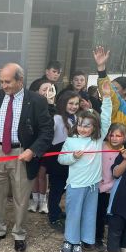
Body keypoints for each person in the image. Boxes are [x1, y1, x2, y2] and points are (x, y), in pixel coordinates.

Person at [0, 63, 54, 252]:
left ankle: (19, 233)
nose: (4, 86)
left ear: (20, 80)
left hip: (23, 153)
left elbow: (47, 131)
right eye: (1, 82)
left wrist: (33, 150)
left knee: (21, 196)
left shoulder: (37, 100)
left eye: (8, 82)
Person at [57, 81, 112, 252]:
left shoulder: (97, 140)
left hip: (92, 186)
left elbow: (106, 118)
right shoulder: (71, 140)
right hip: (75, 185)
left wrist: (107, 97)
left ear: (95, 128)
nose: (83, 128)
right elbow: (61, 158)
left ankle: (80, 241)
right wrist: (74, 157)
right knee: (73, 213)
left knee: (88, 213)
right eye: (81, 124)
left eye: (88, 126)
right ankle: (69, 240)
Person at [45, 91, 81, 232]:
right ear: (63, 103)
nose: (74, 106)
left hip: (72, 157)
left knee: (65, 187)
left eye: (76, 104)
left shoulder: (77, 118)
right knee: (56, 188)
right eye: (70, 103)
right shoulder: (57, 118)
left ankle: (58, 210)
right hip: (57, 158)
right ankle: (53, 216)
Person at [95, 123, 126, 252]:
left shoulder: (124, 153)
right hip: (98, 188)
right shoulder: (101, 147)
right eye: (111, 135)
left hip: (113, 190)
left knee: (110, 217)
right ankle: (97, 238)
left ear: (124, 137)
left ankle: (113, 241)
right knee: (98, 214)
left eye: (118, 135)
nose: (114, 138)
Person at [28, 81, 56, 214]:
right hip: (32, 145)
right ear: (37, 91)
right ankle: (34, 200)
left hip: (46, 146)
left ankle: (43, 202)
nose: (47, 92)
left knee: (42, 174)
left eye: (50, 90)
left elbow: (50, 125)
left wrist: (51, 104)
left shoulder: (54, 107)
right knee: (33, 174)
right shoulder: (32, 104)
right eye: (44, 89)